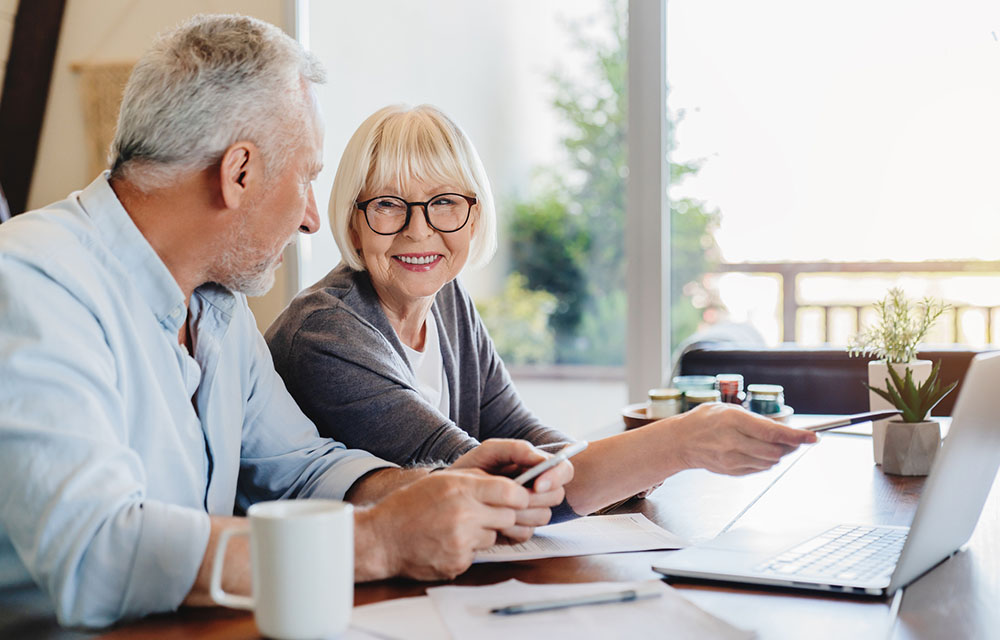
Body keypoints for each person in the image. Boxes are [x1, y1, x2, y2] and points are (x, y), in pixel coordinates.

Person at [0, 17, 572, 629]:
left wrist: (436, 486)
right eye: (306, 178)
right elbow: (95, 554)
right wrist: (376, 542)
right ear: (238, 172)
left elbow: (301, 466)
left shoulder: (217, 307)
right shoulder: (31, 282)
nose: (310, 219)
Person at [266, 104, 818, 519]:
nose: (419, 230)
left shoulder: (448, 301)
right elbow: (490, 484)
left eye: (444, 203)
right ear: (354, 219)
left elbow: (520, 431)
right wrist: (675, 443)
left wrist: (623, 469)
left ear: (474, 215)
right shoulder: (327, 332)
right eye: (388, 204)